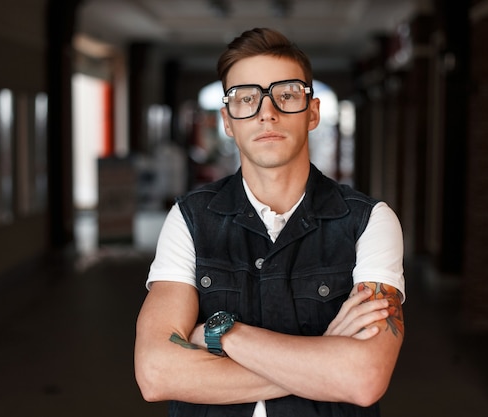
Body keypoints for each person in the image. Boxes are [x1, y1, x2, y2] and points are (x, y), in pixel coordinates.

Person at [134, 27, 405, 417]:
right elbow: (156, 373)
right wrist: (326, 361)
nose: (267, 112)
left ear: (312, 112)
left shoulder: (368, 221)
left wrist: (222, 333)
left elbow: (364, 379)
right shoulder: (190, 218)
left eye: (287, 94)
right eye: (246, 98)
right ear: (228, 120)